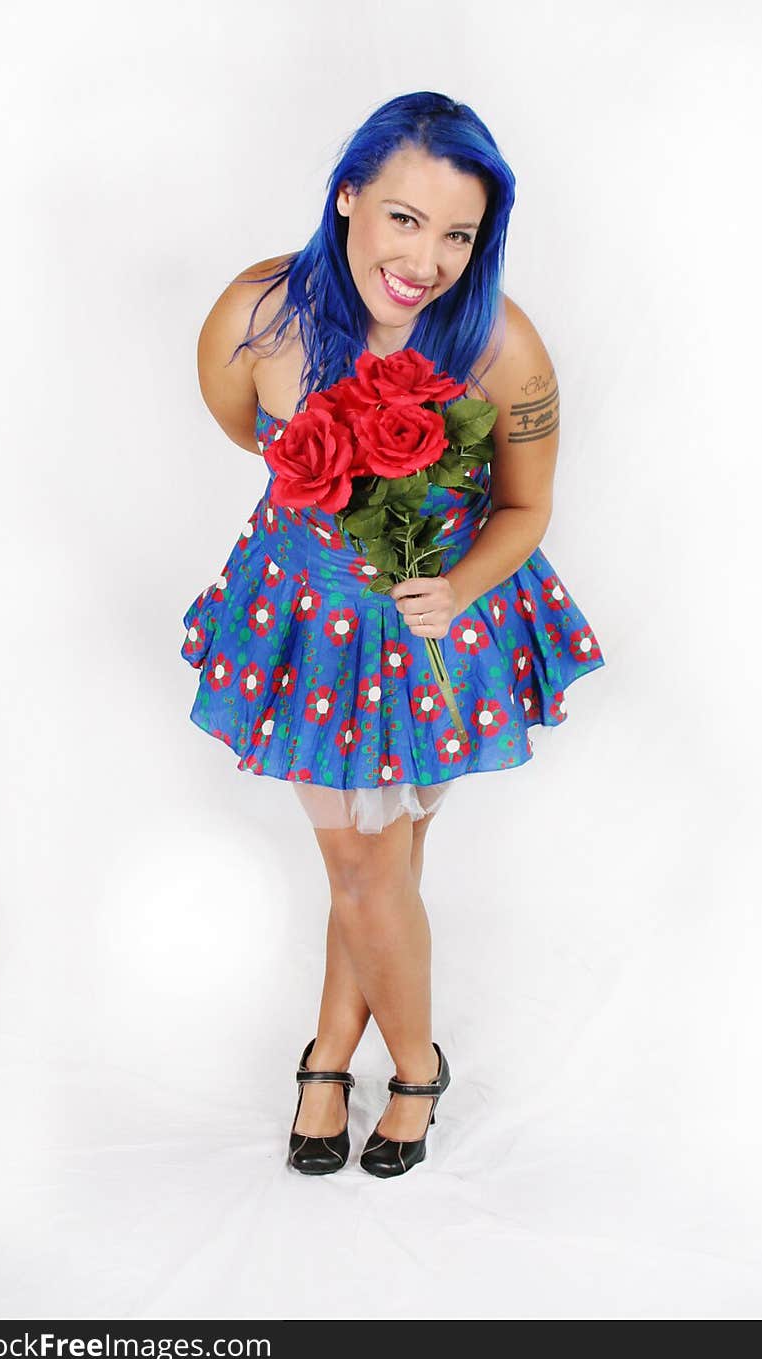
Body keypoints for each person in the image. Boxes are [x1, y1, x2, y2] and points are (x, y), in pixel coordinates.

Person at [180, 91, 605, 1178]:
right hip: (309, 633)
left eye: (458, 233)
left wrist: (454, 586)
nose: (426, 259)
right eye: (405, 220)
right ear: (348, 197)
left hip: (436, 641)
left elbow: (525, 507)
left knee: (376, 869)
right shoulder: (255, 316)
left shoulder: (502, 345)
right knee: (372, 869)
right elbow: (245, 431)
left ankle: (359, 1057)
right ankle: (398, 1060)